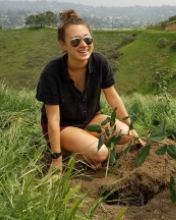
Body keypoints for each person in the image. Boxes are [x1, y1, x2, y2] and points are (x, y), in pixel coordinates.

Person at [36, 9, 145, 175]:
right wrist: (56, 159)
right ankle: (70, 151)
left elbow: (113, 97)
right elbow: (53, 118)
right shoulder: (52, 72)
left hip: (90, 118)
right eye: (75, 41)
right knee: (101, 153)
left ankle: (84, 142)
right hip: (62, 127)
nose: (83, 45)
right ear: (63, 45)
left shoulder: (100, 62)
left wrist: (132, 128)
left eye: (88, 39)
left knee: (129, 137)